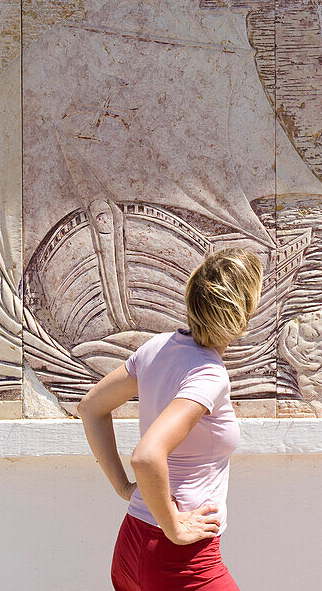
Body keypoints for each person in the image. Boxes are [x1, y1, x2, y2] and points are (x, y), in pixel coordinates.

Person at [78, 247, 263, 590]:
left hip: (131, 545)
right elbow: (147, 456)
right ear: (242, 315)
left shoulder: (157, 347)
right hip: (180, 559)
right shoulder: (209, 375)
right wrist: (174, 528)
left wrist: (123, 488)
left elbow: (91, 407)